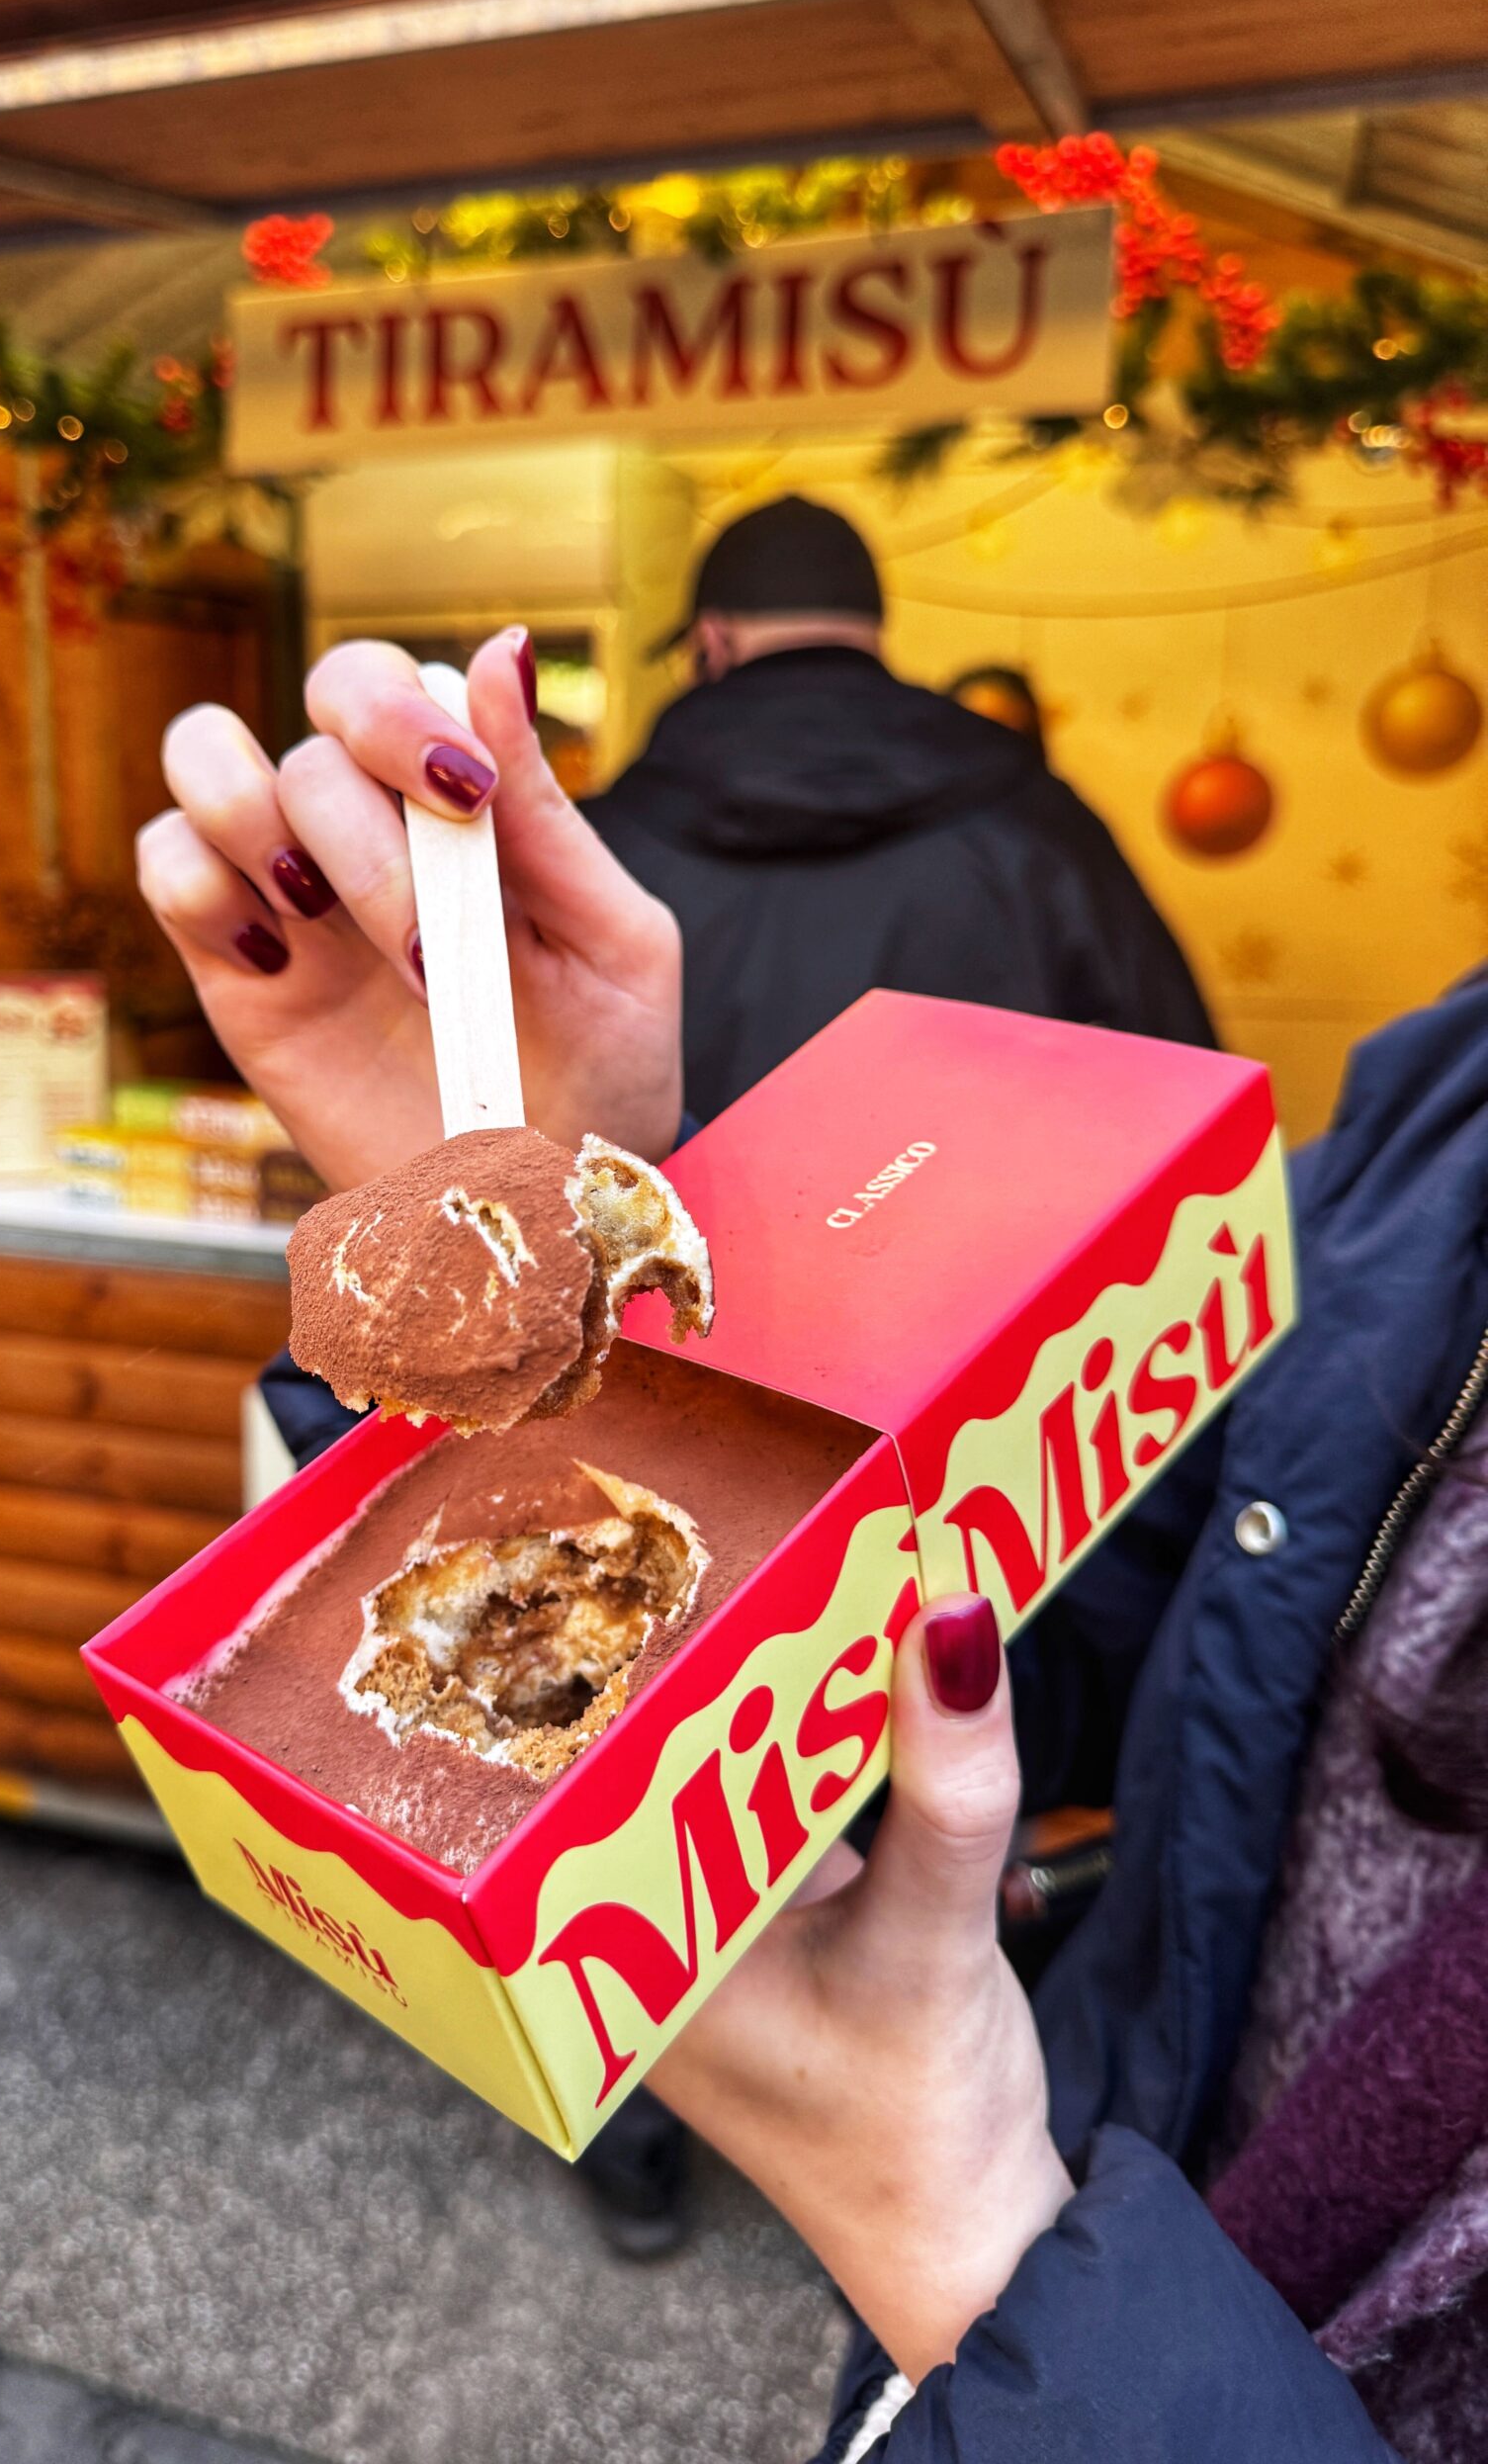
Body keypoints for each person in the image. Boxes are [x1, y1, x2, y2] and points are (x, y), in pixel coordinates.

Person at [138, 644, 1488, 2459]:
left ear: (704, 645)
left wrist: (979, 2240)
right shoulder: (1448, 1101)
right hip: (1114, 2142)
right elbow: (1119, 1612)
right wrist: (601, 1294)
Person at [581, 495, 1213, 1119]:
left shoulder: (603, 848)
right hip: (987, 1189)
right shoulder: (1035, 819)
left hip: (674, 1192)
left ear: (710, 641)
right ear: (875, 633)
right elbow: (1181, 1074)